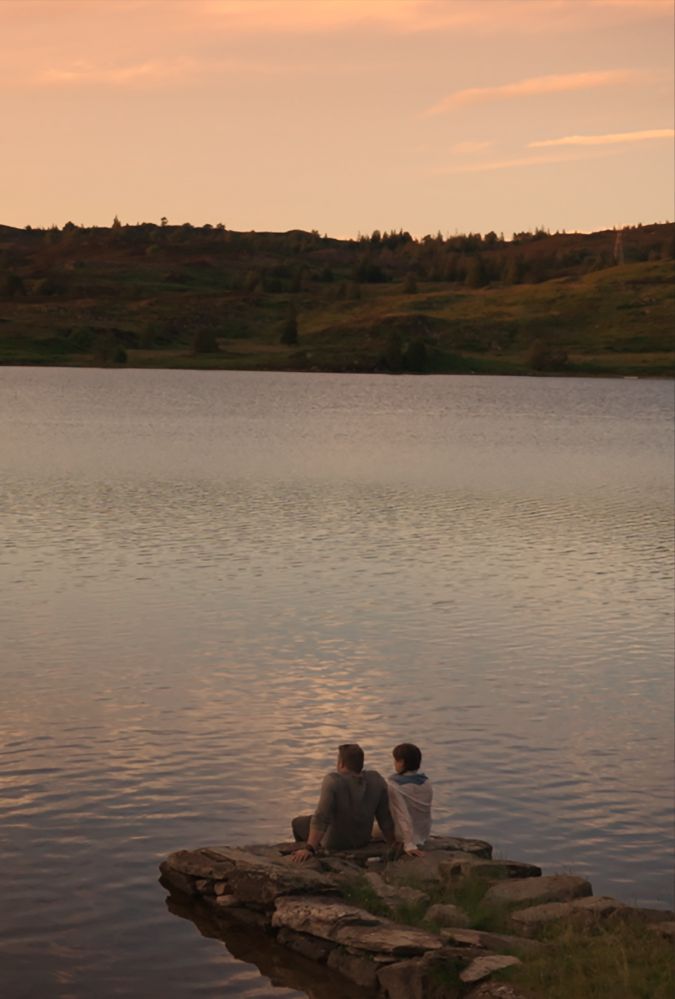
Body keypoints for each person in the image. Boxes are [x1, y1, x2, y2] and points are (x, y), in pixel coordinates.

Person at [291, 743, 396, 862]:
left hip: (334, 842)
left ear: (341, 763)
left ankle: (306, 854)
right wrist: (392, 842)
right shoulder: (376, 779)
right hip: (362, 839)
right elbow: (385, 818)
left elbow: (321, 817)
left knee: (297, 823)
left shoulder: (333, 781)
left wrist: (309, 848)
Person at [387, 742, 432, 857]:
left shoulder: (394, 785)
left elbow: (403, 815)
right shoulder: (426, 782)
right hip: (424, 833)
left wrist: (409, 844)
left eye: (396, 760)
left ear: (401, 762)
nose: (394, 764)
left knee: (373, 829)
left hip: (404, 835)